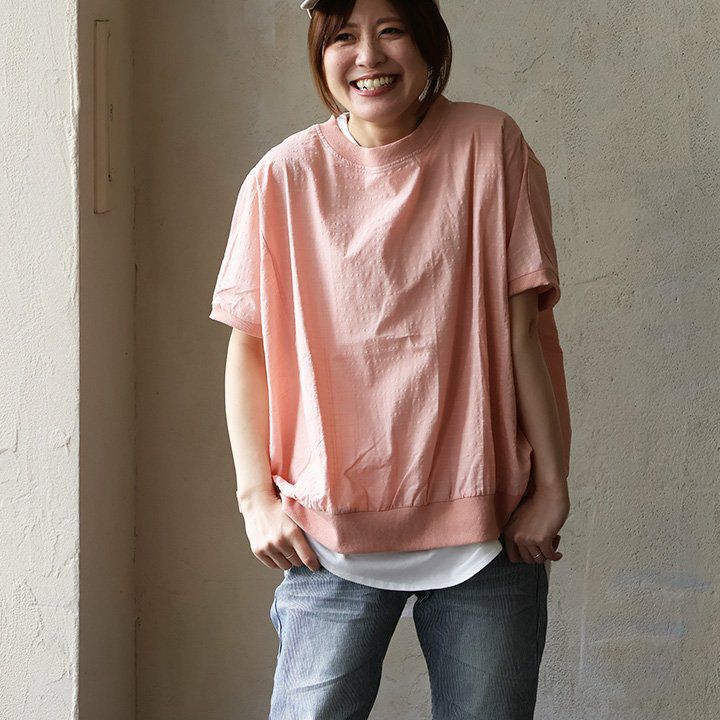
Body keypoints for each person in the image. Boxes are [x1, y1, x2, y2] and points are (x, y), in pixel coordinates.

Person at [209, 0, 571, 717]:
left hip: (489, 533)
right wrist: (256, 501)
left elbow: (523, 337)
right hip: (327, 534)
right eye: (344, 36)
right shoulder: (283, 177)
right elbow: (248, 349)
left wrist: (553, 488)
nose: (368, 56)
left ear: (429, 45)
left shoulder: (489, 144)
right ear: (320, 54)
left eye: (391, 31)